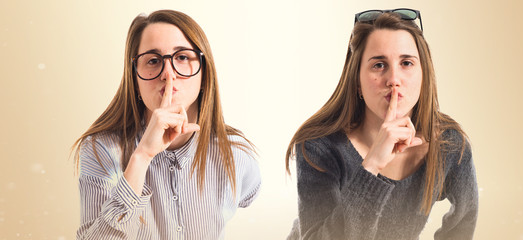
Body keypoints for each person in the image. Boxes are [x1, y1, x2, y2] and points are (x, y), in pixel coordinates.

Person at [285, 9, 478, 240]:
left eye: (406, 63)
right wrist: (372, 166)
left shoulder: (449, 143)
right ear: (357, 80)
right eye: (378, 65)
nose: (394, 79)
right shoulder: (319, 145)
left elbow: (464, 221)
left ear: (424, 75)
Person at [72, 10, 261, 239]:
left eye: (182, 57)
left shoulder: (236, 154)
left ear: (204, 71)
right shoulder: (101, 150)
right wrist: (141, 157)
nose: (168, 74)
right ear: (134, 77)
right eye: (153, 61)